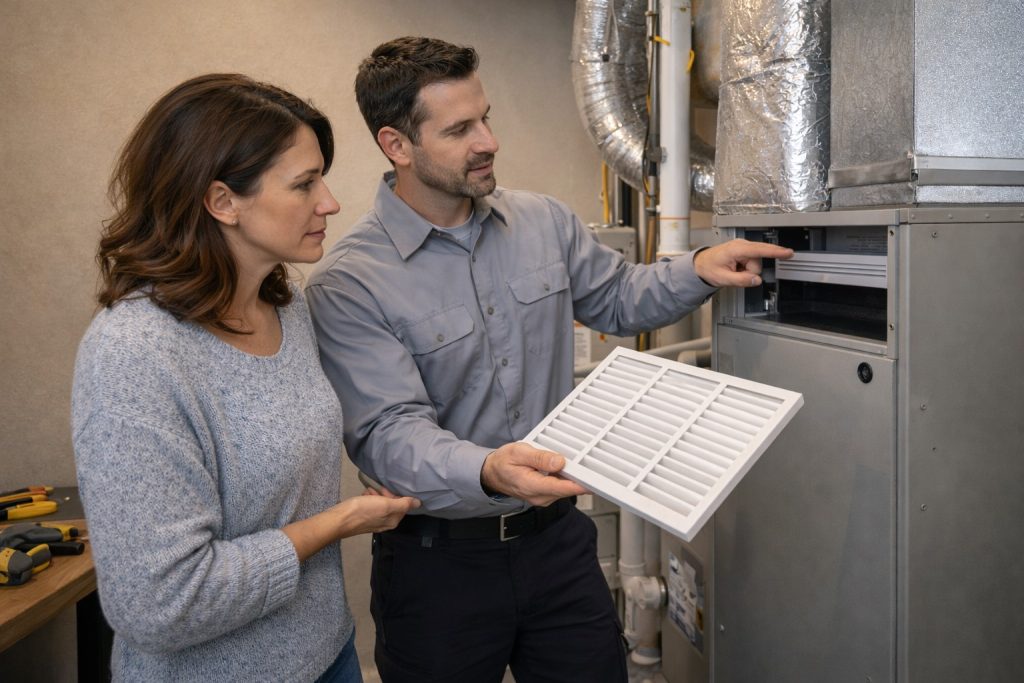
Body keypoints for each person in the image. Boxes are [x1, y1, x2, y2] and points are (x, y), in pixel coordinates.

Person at [306, 37, 793, 682]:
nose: (488, 141)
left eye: (485, 118)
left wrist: (699, 267)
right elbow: (387, 431)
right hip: (439, 569)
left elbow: (618, 297)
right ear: (397, 144)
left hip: (557, 546)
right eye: (458, 129)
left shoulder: (543, 221)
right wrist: (489, 469)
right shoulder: (349, 282)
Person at [71, 73, 420, 682]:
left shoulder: (285, 308)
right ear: (223, 201)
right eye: (304, 184)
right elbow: (161, 606)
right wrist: (339, 522)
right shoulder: (134, 354)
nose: (329, 203)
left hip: (328, 652)